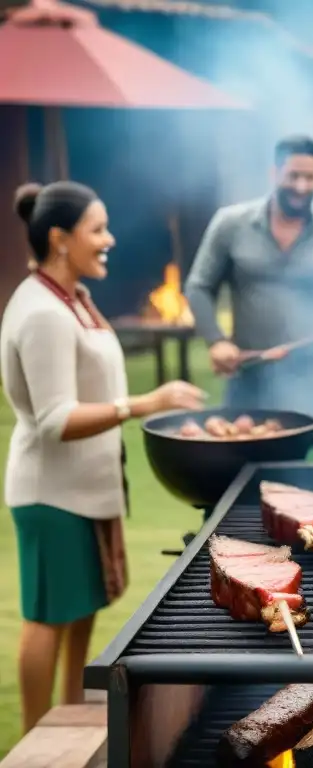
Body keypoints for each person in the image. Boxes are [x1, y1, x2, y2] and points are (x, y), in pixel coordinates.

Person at [2, 181, 205, 734]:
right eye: (98, 229)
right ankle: (34, 744)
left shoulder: (74, 297)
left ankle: (67, 727)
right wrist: (144, 403)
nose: (109, 239)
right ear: (61, 239)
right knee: (48, 618)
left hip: (88, 490)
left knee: (80, 615)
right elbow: (54, 419)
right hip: (52, 493)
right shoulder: (43, 311)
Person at [184, 135, 313, 424]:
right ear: (274, 173)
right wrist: (216, 341)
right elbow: (198, 286)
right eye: (293, 176)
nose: (301, 186)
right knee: (242, 459)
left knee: (302, 464)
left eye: (310, 178)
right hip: (248, 377)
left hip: (308, 382)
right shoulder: (231, 225)